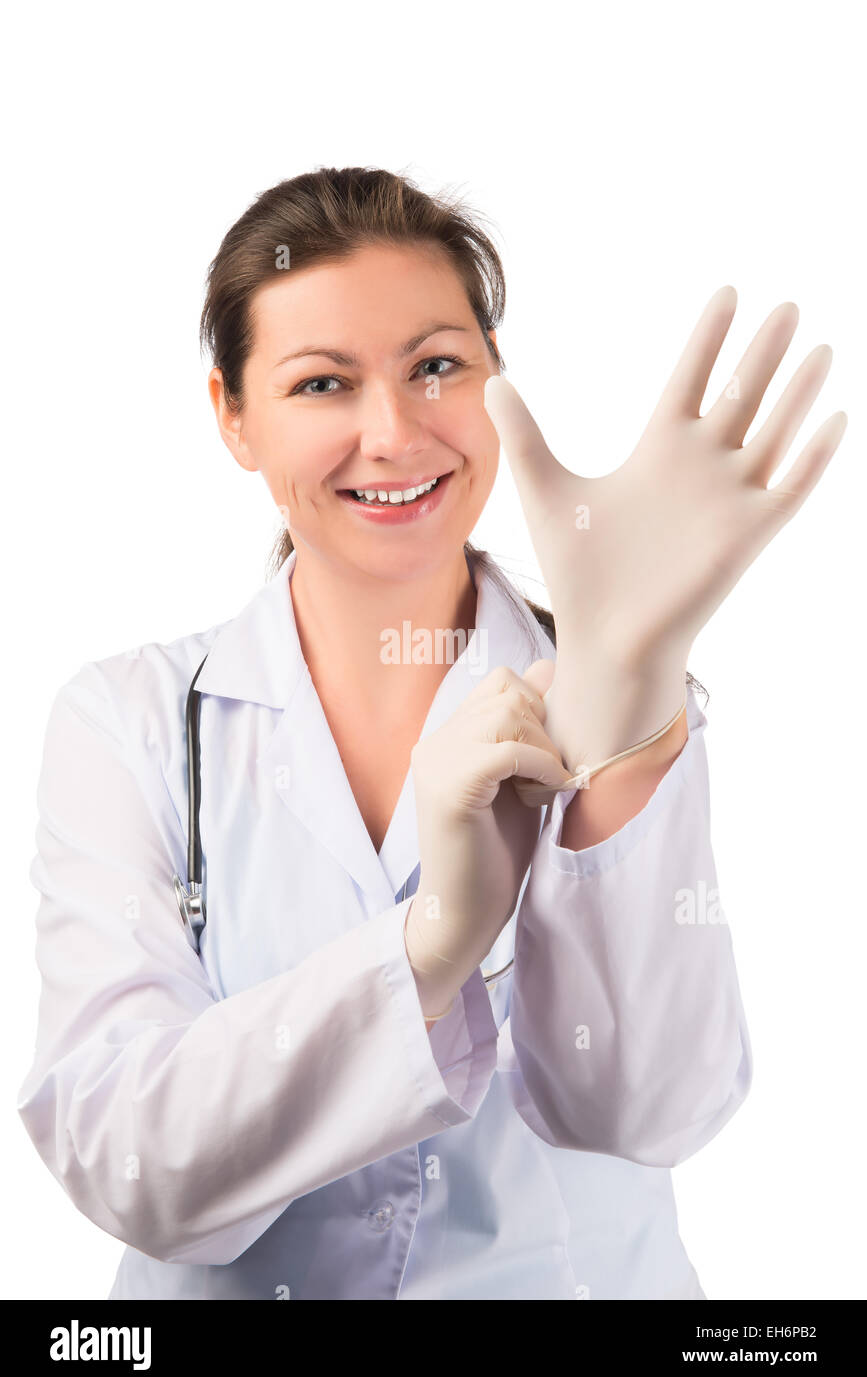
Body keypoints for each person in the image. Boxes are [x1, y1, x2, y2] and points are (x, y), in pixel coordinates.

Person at [17, 167, 845, 1300]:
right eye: (321, 383)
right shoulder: (134, 720)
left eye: (437, 367)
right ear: (232, 417)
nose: (393, 433)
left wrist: (630, 693)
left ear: (496, 378)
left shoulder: (613, 687)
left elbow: (650, 1109)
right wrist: (431, 946)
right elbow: (126, 1155)